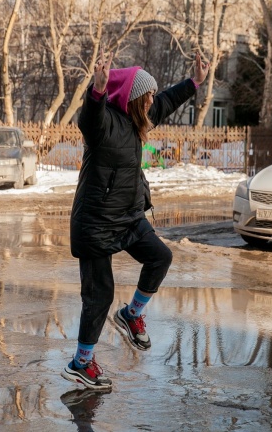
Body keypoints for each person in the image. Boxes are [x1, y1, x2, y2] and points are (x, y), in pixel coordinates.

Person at [61, 50, 209, 390]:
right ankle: (81, 363)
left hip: (128, 217)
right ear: (134, 98)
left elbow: (169, 101)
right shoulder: (104, 123)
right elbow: (88, 118)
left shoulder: (138, 116)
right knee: (99, 296)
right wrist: (96, 90)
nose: (153, 101)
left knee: (161, 257)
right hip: (95, 223)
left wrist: (195, 82)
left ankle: (132, 314)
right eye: (148, 95)